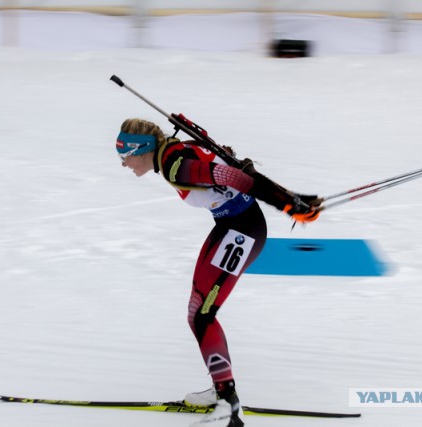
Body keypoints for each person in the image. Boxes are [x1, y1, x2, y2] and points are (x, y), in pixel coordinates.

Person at [116, 118, 320, 427]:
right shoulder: (173, 151)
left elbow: (234, 177)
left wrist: (287, 202)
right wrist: (290, 197)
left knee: (201, 314)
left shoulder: (176, 165)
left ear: (141, 149)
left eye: (124, 156)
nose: (124, 164)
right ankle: (221, 388)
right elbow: (238, 170)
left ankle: (227, 402)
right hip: (231, 226)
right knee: (198, 311)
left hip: (241, 232)